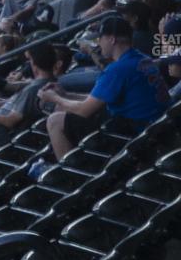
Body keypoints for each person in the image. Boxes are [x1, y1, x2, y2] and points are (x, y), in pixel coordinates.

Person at [41, 16, 166, 160]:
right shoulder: (142, 58)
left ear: (112, 39)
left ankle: (70, 175)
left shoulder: (118, 69)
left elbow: (83, 111)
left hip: (131, 137)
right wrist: (65, 95)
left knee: (55, 120)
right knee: (62, 108)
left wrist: (54, 97)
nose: (99, 43)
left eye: (100, 38)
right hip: (151, 130)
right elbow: (96, 99)